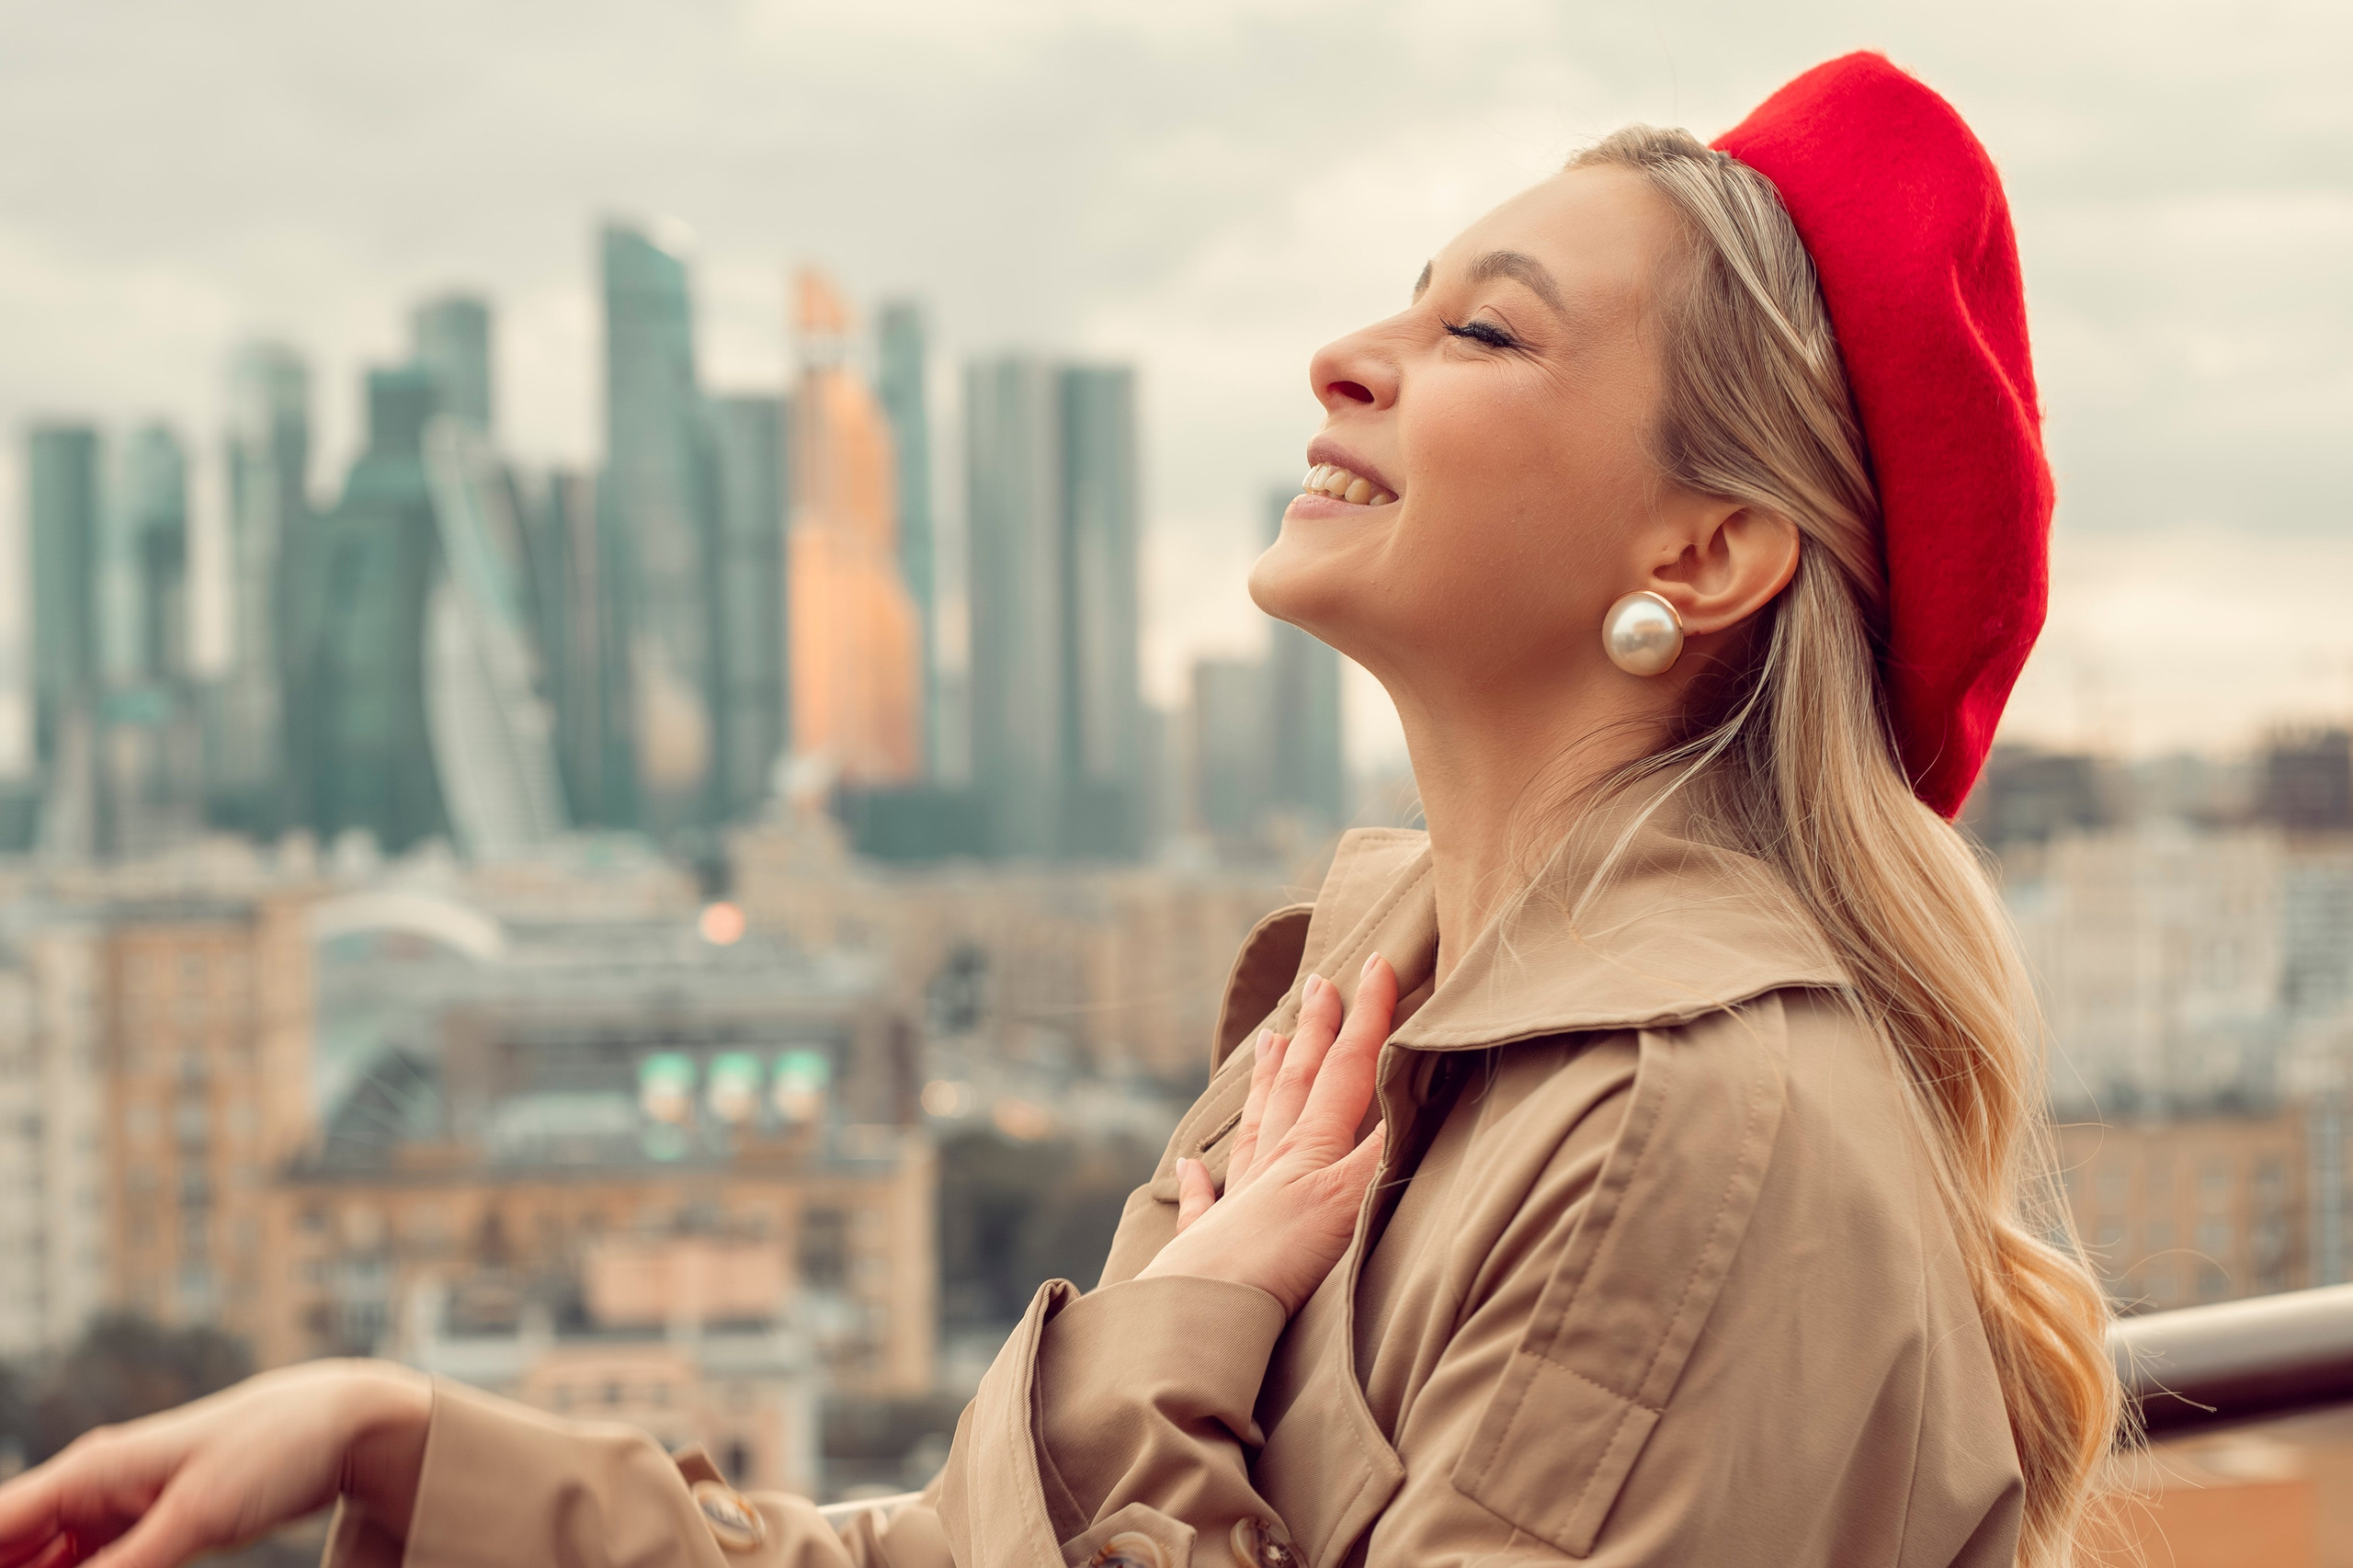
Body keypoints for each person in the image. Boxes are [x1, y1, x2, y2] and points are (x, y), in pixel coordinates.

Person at [0, 51, 2121, 1568]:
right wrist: (397, 1442)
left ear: (1705, 552)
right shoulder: (1361, 1029)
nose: (1340, 359)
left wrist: (1180, 1349)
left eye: (1479, 328)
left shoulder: (1684, 1128)